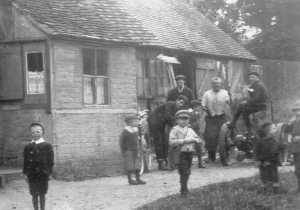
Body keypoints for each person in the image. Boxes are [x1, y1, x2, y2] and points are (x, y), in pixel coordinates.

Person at [148, 95, 187, 170]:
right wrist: (177, 124)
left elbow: (172, 118)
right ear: (177, 100)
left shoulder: (176, 108)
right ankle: (161, 163)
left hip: (161, 124)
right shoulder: (170, 104)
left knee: (165, 142)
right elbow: (167, 115)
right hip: (154, 122)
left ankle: (166, 161)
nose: (180, 104)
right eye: (180, 102)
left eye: (183, 104)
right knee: (159, 142)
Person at [169, 110, 201, 197]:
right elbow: (171, 142)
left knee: (188, 171)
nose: (184, 121)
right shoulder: (175, 130)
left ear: (189, 120)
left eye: (186, 119)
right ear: (177, 120)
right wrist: (184, 141)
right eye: (181, 119)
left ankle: (184, 187)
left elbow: (197, 138)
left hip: (189, 153)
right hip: (180, 153)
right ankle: (184, 190)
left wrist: (195, 140)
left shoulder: (190, 130)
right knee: (184, 171)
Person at [23, 123, 54, 210]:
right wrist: (25, 173)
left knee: (42, 194)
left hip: (43, 174)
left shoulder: (47, 146)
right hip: (32, 175)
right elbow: (25, 161)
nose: (35, 134)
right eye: (33, 132)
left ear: (42, 132)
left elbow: (50, 161)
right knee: (34, 195)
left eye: (38, 131)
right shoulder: (28, 146)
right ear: (30, 133)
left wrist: (49, 173)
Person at [201, 77, 231, 163]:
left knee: (225, 136)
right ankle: (211, 156)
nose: (216, 86)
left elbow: (228, 102)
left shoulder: (224, 92)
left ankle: (226, 156)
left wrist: (228, 103)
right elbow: (203, 105)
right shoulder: (207, 93)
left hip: (222, 117)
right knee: (210, 137)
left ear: (220, 85)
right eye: (214, 84)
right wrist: (209, 112)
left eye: (218, 84)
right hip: (211, 118)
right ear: (212, 85)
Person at [119, 114, 146, 185]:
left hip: (136, 150)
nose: (137, 123)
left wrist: (141, 143)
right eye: (135, 121)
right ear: (129, 122)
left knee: (137, 165)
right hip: (129, 151)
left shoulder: (136, 130)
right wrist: (124, 151)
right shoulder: (125, 131)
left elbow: (138, 139)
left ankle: (138, 178)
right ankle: (130, 179)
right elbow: (121, 142)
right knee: (130, 166)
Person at [255, 122, 281, 193]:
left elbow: (276, 151)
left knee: (274, 176)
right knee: (265, 176)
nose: (275, 129)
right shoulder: (260, 141)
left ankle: (275, 190)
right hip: (264, 162)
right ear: (267, 131)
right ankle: (266, 189)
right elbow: (257, 151)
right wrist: (259, 160)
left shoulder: (274, 140)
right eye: (273, 128)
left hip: (272, 162)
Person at [284, 101, 300, 192]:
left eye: (299, 110)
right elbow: (286, 132)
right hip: (296, 149)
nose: (297, 112)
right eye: (295, 110)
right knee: (298, 169)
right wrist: (289, 123)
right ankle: (299, 188)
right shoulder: (293, 121)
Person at [190, 99, 206, 168]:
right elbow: (192, 123)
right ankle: (190, 163)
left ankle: (200, 163)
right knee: (190, 148)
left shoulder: (202, 113)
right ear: (193, 107)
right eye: (195, 106)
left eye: (198, 106)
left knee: (199, 147)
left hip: (199, 132)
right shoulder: (191, 113)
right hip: (192, 132)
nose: (197, 108)